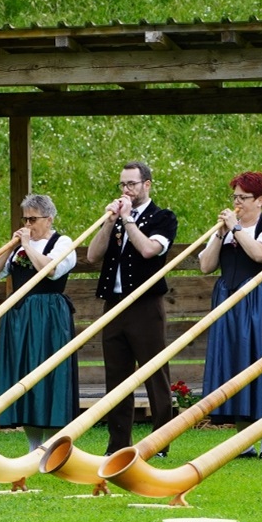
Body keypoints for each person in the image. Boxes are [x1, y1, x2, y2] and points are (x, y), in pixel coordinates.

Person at [198, 172, 262, 460]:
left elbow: (260, 254)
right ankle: (244, 441)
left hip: (261, 299)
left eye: (243, 197)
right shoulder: (227, 229)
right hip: (229, 298)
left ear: (260, 200)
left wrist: (236, 228)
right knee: (234, 364)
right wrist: (219, 234)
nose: (237, 202)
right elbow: (205, 266)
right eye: (235, 197)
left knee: (261, 363)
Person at [86, 161, 178, 456]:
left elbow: (150, 250)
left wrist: (128, 221)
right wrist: (109, 222)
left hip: (145, 306)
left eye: (132, 184)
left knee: (155, 374)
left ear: (147, 185)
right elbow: (92, 255)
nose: (127, 190)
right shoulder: (115, 219)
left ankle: (160, 443)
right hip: (113, 305)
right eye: (123, 185)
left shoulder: (162, 217)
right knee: (116, 377)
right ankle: (117, 445)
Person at [0, 194, 78, 451]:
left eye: (33, 219)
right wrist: (11, 247)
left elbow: (51, 270)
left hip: (49, 316)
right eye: (25, 218)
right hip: (20, 316)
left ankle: (53, 445)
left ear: (49, 219)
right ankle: (33, 446)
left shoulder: (63, 243)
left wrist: (28, 245)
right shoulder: (19, 246)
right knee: (23, 376)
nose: (28, 223)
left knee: (50, 377)